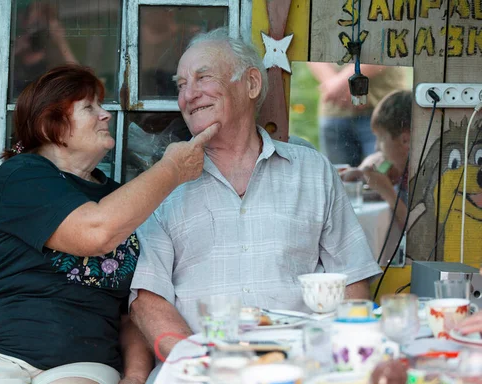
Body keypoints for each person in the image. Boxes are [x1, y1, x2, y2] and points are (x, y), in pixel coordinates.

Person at [0, 65, 218, 384]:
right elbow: (94, 232)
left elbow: (130, 309)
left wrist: (135, 376)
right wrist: (172, 170)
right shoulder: (22, 175)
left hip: (82, 361)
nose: (106, 115)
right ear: (52, 124)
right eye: (89, 107)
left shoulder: (123, 201)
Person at [129, 28, 382, 359]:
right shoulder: (163, 182)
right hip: (201, 370)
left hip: (299, 364)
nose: (188, 95)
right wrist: (197, 360)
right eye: (181, 85)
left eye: (202, 78)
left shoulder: (311, 171)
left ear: (251, 84)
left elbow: (351, 279)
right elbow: (148, 299)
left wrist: (337, 356)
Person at [308, 63, 407, 166]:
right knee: (338, 176)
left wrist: (341, 85)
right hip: (334, 112)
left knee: (383, 173)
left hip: (383, 111)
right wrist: (338, 86)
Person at [341, 90, 412, 229]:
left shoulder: (425, 176)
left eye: (381, 139)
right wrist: (362, 176)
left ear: (405, 140)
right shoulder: (401, 170)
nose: (376, 147)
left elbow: (418, 231)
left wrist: (388, 192)